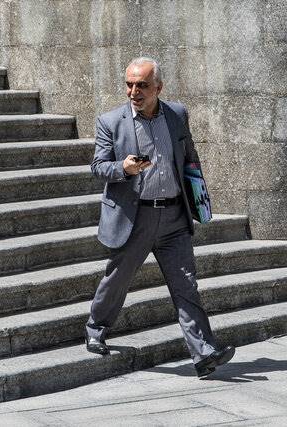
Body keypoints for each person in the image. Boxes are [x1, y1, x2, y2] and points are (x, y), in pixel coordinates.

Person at [85, 57, 235, 377]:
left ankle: (204, 352)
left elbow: (189, 157)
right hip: (134, 217)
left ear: (158, 87)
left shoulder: (178, 115)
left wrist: (199, 197)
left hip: (173, 218)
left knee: (186, 287)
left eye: (141, 85)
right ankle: (96, 327)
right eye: (129, 84)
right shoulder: (110, 122)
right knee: (118, 280)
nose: (133, 91)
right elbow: (98, 167)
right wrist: (122, 168)